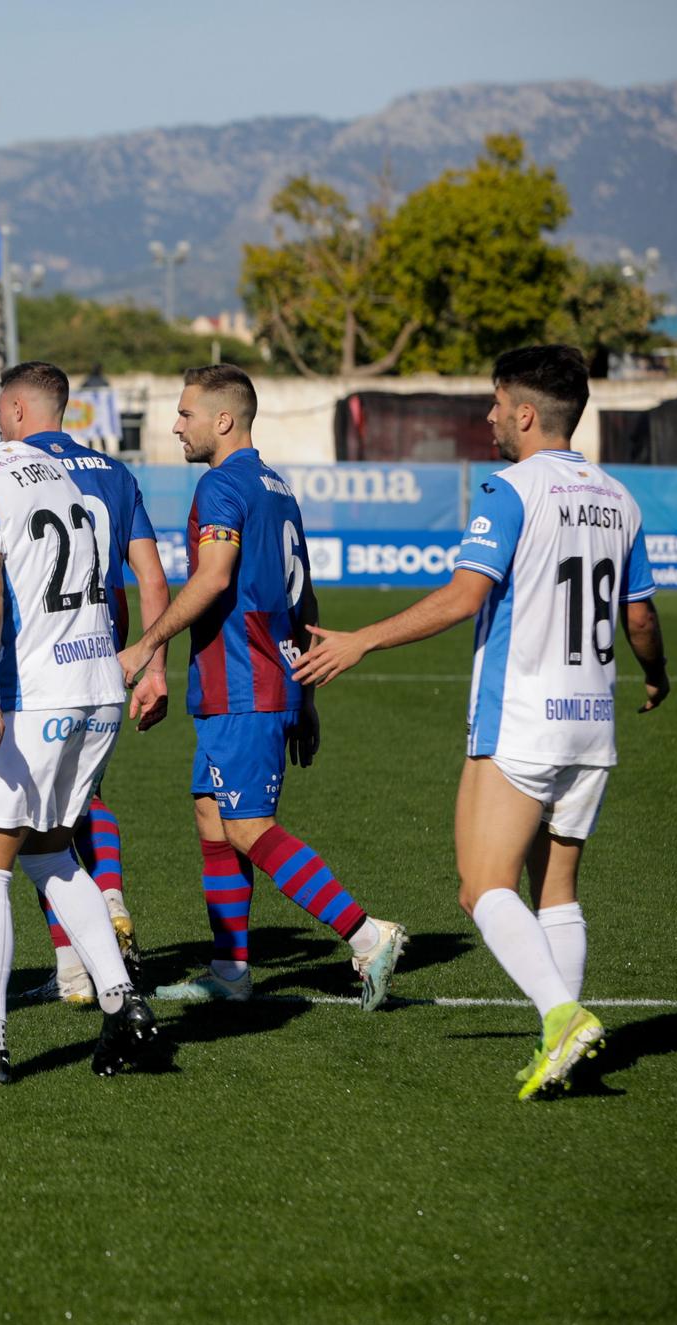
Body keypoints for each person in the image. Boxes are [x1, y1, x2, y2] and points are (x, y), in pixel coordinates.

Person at [294, 345, 668, 1099]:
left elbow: (465, 596)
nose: (489, 416)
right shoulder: (620, 499)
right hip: (592, 720)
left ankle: (561, 1015)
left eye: (497, 403)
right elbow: (639, 614)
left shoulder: (511, 488)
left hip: (525, 717)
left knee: (482, 886)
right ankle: (562, 1040)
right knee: (556, 888)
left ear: (526, 413)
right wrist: (657, 674)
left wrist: (363, 637)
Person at [117, 365, 409, 1009]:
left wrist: (147, 642)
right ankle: (230, 971)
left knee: (248, 827)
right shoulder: (277, 486)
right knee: (212, 818)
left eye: (186, 413)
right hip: (261, 678)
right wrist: (306, 696)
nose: (175, 425)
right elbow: (305, 596)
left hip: (243, 680)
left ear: (223, 420)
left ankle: (366, 933)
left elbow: (215, 577)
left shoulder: (223, 484)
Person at [0, 363, 161, 1083]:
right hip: (98, 683)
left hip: (37, 694)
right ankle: (125, 1007)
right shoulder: (46, 465)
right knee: (50, 851)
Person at [0, 361, 172, 1004]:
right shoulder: (116, 473)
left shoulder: (10, 470)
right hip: (104, 657)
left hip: (37, 659)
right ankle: (100, 919)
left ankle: (74, 965)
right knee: (76, 797)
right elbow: (153, 580)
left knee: (34, 819)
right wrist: (153, 664)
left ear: (16, 410)